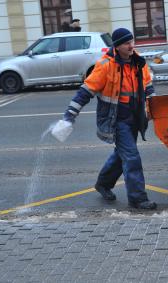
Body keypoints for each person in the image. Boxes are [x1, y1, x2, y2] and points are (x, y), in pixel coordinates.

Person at [63, 28, 157, 210]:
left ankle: (103, 184)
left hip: (135, 117)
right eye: (126, 43)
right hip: (116, 119)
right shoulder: (106, 65)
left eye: (132, 41)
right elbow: (85, 91)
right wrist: (69, 115)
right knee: (131, 157)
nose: (131, 46)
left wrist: (153, 102)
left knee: (121, 155)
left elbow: (147, 84)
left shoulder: (139, 61)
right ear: (117, 46)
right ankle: (138, 198)